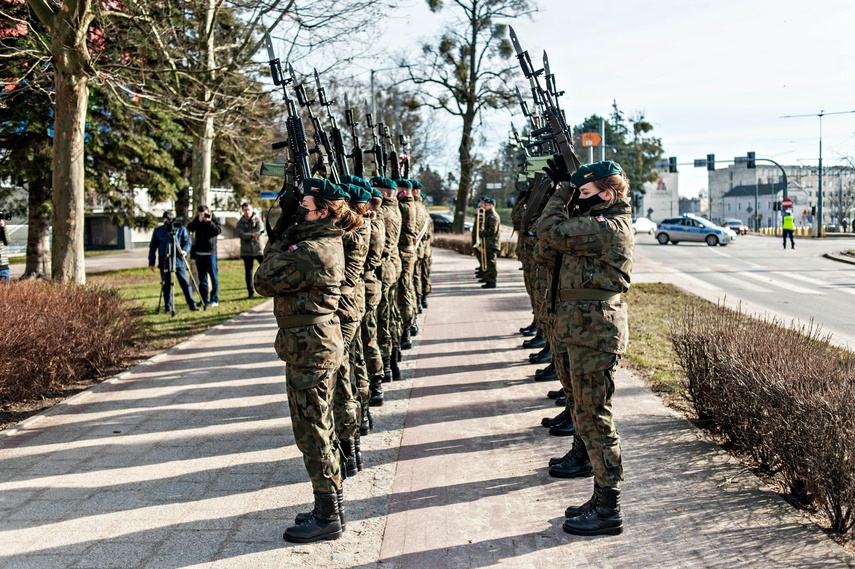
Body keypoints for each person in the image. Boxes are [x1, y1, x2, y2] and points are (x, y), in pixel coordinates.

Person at [536, 159, 633, 537]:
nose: (579, 198)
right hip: (580, 328)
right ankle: (599, 495)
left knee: (597, 417)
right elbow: (547, 248)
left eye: (586, 193)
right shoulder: (597, 221)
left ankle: (609, 507)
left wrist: (562, 191)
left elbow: (548, 230)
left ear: (607, 195)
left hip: (595, 333)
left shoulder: (606, 227)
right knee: (582, 410)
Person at [253, 177, 349, 544]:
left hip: (311, 348)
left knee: (313, 432)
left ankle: (327, 516)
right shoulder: (321, 239)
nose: (298, 213)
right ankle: (331, 507)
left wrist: (282, 231)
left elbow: (263, 279)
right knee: (319, 425)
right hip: (312, 345)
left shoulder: (312, 250)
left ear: (323, 212)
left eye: (304, 208)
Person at [148, 212, 198, 313]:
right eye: (165, 219)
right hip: (164, 261)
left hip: (178, 260)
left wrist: (184, 250)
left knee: (185, 283)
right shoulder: (159, 231)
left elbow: (187, 242)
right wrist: (151, 262)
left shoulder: (180, 229)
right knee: (166, 285)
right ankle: (168, 306)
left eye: (169, 219)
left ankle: (192, 304)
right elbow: (152, 247)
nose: (167, 222)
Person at [186, 205, 222, 306]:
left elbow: (217, 231)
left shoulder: (213, 219)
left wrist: (209, 222)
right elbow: (190, 228)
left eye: (205, 213)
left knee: (214, 277)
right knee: (202, 278)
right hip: (199, 253)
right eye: (201, 214)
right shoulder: (198, 221)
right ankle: (204, 299)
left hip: (211, 253)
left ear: (209, 212)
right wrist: (198, 220)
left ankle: (214, 299)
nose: (203, 216)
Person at [236, 202, 264, 298]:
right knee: (249, 272)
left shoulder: (257, 219)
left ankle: (267, 288)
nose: (247, 212)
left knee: (265, 269)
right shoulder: (240, 222)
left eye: (248, 209)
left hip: (258, 249)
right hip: (246, 251)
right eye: (245, 210)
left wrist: (248, 234)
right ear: (242, 211)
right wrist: (252, 235)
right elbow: (240, 234)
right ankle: (250, 292)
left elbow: (260, 229)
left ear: (251, 209)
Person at [480, 196, 500, 289]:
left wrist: (483, 232)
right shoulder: (487, 214)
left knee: (491, 262)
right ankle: (488, 279)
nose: (484, 206)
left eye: (487, 204)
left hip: (492, 243)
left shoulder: (493, 216)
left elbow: (492, 230)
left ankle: (492, 281)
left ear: (492, 205)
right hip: (488, 242)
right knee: (488, 262)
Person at [0, 218, 10, 286]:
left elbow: (7, 241)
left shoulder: (1, 229)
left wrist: (3, 227)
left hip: (2, 267)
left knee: (5, 294)